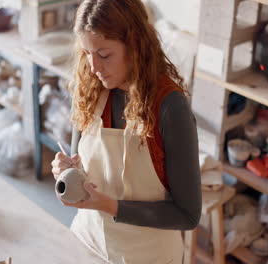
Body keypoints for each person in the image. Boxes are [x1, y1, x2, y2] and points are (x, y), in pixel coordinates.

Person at [51, 0, 201, 263]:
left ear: (135, 46)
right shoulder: (91, 86)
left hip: (147, 256)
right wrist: (66, 168)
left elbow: (187, 215)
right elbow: (79, 161)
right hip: (88, 240)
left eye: (104, 54)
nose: (94, 66)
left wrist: (109, 205)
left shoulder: (169, 107)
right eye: (87, 52)